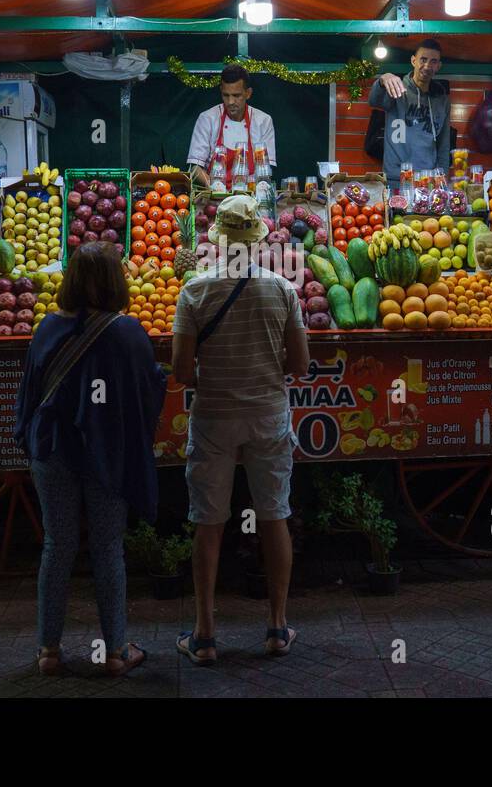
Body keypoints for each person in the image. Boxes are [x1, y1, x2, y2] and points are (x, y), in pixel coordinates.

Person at [13, 242, 168, 677]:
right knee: (106, 548)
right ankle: (116, 650)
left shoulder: (46, 328)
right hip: (107, 455)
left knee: (56, 547)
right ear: (117, 280)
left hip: (53, 450)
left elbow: (29, 391)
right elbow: (149, 388)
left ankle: (48, 650)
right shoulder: (128, 332)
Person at [170, 195, 310, 663]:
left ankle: (205, 635)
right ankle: (276, 627)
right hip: (268, 415)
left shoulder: (194, 291)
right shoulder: (283, 290)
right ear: (255, 241)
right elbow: (300, 365)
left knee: (208, 523)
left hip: (213, 419)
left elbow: (182, 373)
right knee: (274, 516)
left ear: (218, 241)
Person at [369, 38, 451, 182]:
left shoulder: (442, 100)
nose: (427, 66)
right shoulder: (396, 88)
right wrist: (383, 79)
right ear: (413, 61)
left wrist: (442, 176)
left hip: (428, 180)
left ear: (438, 66)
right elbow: (374, 101)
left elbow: (444, 144)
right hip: (396, 178)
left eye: (433, 61)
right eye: (423, 59)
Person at [187, 64, 276, 187]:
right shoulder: (207, 119)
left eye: (236, 95)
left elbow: (265, 171)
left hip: (250, 196)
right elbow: (195, 168)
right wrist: (216, 190)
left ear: (248, 93)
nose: (230, 102)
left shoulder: (263, 121)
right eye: (226, 95)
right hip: (214, 198)